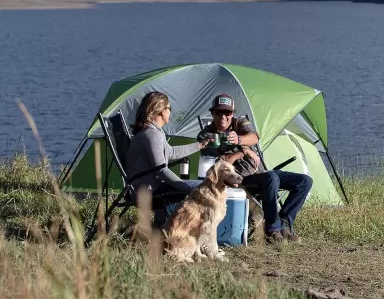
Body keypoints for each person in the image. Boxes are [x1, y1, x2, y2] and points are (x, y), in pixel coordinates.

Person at [200, 93, 313, 243]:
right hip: (240, 179)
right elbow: (220, 165)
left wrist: (239, 139)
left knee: (304, 181)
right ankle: (272, 230)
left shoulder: (239, 123)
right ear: (212, 113)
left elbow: (254, 137)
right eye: (218, 112)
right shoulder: (206, 135)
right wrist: (243, 152)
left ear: (232, 113)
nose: (223, 117)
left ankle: (285, 224)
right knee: (271, 178)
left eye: (227, 113)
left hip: (263, 172)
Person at [126, 91, 208, 220]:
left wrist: (200, 145)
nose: (170, 112)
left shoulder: (153, 131)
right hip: (146, 193)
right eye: (170, 108)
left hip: (148, 188)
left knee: (201, 185)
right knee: (204, 189)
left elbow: (171, 152)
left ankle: (161, 227)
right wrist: (185, 187)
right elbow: (161, 169)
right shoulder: (152, 134)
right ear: (162, 111)